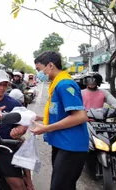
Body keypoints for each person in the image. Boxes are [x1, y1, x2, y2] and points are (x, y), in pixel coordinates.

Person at [30, 51, 89, 190]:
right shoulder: (56, 84)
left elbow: (80, 116)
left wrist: (45, 128)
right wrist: (41, 118)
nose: (39, 73)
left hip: (71, 146)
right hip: (62, 144)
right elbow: (61, 113)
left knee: (60, 186)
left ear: (50, 65)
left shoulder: (64, 84)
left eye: (39, 69)